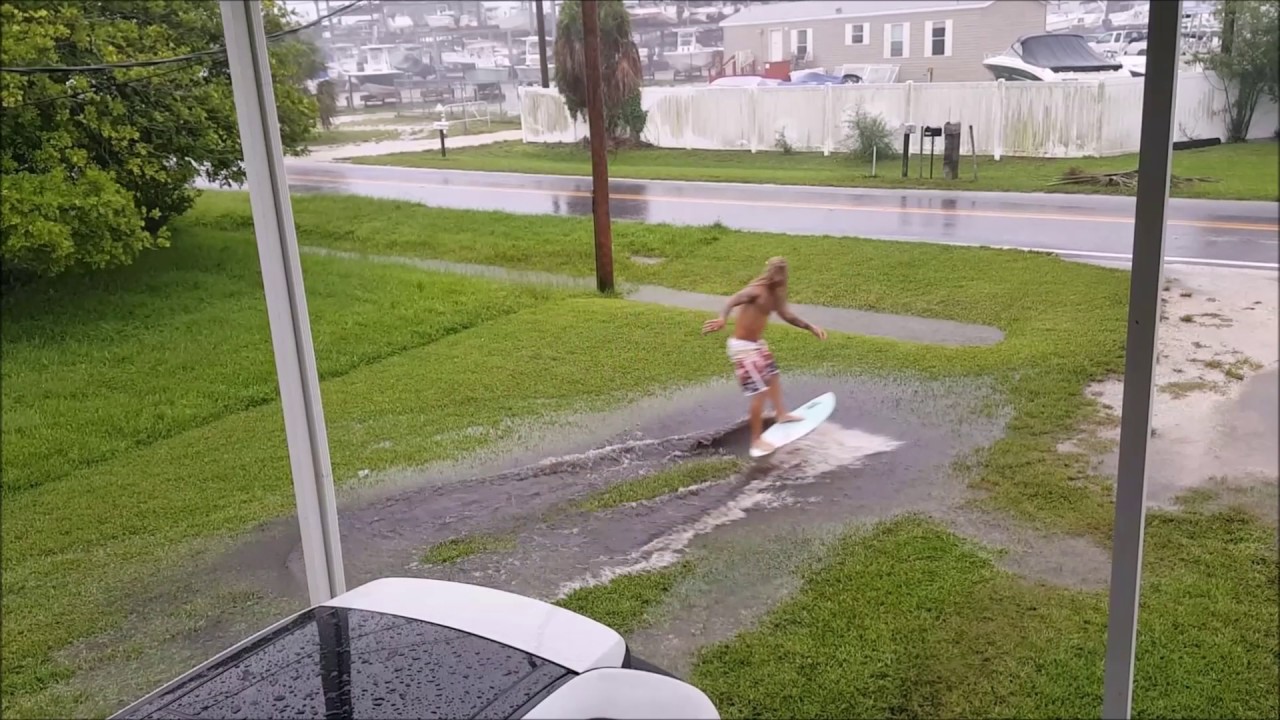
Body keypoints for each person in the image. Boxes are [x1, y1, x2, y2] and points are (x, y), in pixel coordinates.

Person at [701, 257, 827, 455]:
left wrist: (810, 327)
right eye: (776, 275)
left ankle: (781, 414)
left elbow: (787, 315)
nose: (779, 280)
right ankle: (756, 440)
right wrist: (722, 318)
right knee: (760, 393)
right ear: (770, 274)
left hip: (756, 345)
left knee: (773, 375)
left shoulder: (776, 294)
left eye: (782, 276)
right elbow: (732, 300)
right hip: (743, 348)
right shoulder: (756, 290)